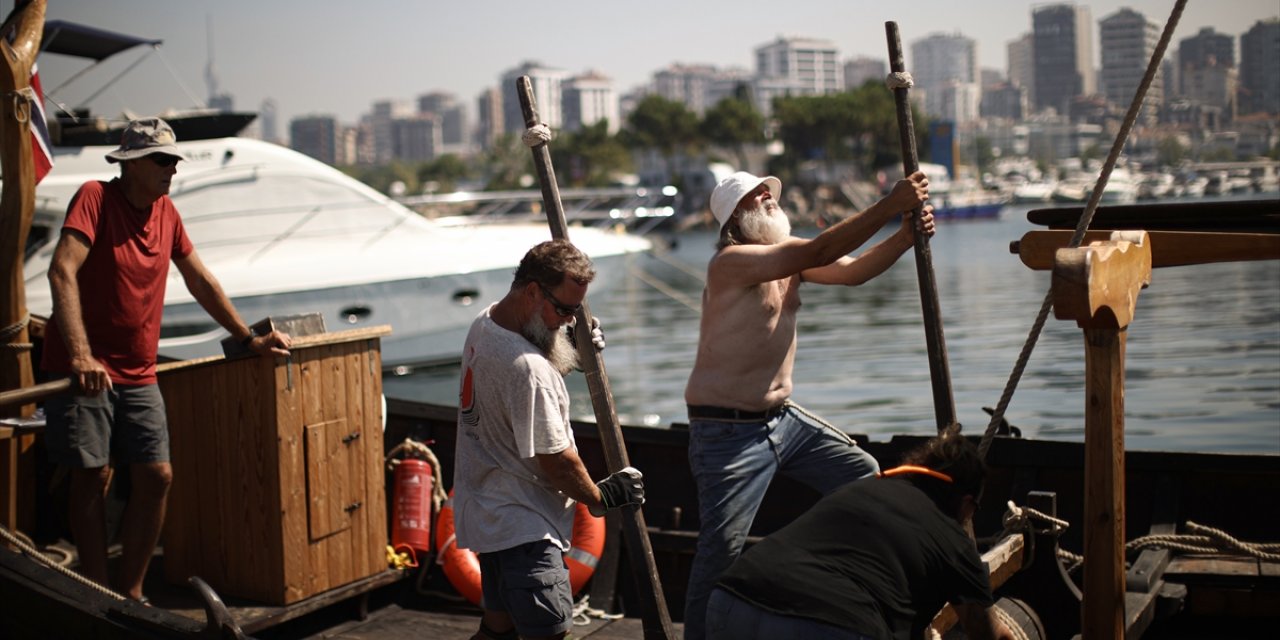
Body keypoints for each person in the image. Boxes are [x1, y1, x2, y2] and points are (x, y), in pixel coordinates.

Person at [42, 117, 292, 603]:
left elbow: (201, 281)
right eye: (162, 160)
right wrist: (80, 355)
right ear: (131, 165)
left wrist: (247, 339)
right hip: (85, 370)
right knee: (91, 476)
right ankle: (96, 592)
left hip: (138, 371)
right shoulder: (95, 197)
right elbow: (61, 271)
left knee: (158, 476)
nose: (172, 169)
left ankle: (131, 591)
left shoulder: (168, 213)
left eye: (174, 160)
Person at [683, 170, 935, 638]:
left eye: (767, 191)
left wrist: (903, 237)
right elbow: (820, 250)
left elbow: (851, 271)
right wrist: (889, 203)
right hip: (726, 431)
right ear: (735, 219)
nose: (767, 197)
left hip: (783, 421)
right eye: (754, 196)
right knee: (721, 552)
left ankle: (828, 584)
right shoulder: (731, 263)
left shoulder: (788, 259)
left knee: (862, 476)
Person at [453, 239, 645, 640]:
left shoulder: (485, 323)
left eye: (576, 311)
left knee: (497, 629)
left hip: (489, 517)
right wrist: (600, 497)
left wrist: (572, 348)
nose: (568, 321)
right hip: (526, 530)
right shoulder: (529, 370)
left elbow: (533, 359)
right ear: (533, 291)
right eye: (564, 309)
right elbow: (556, 459)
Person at [706, 429, 1016, 640]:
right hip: (826, 624)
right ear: (966, 503)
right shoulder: (953, 538)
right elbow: (988, 634)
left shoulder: (861, 488)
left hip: (731, 602)